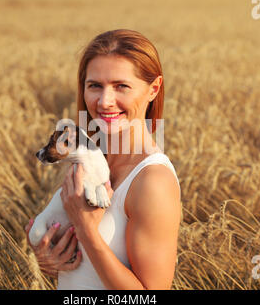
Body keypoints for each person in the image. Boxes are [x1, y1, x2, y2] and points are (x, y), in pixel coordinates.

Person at [25, 29, 181, 290]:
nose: (105, 101)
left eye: (121, 86)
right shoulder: (93, 161)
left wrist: (86, 230)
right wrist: (47, 258)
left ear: (153, 89)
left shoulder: (152, 180)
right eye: (95, 85)